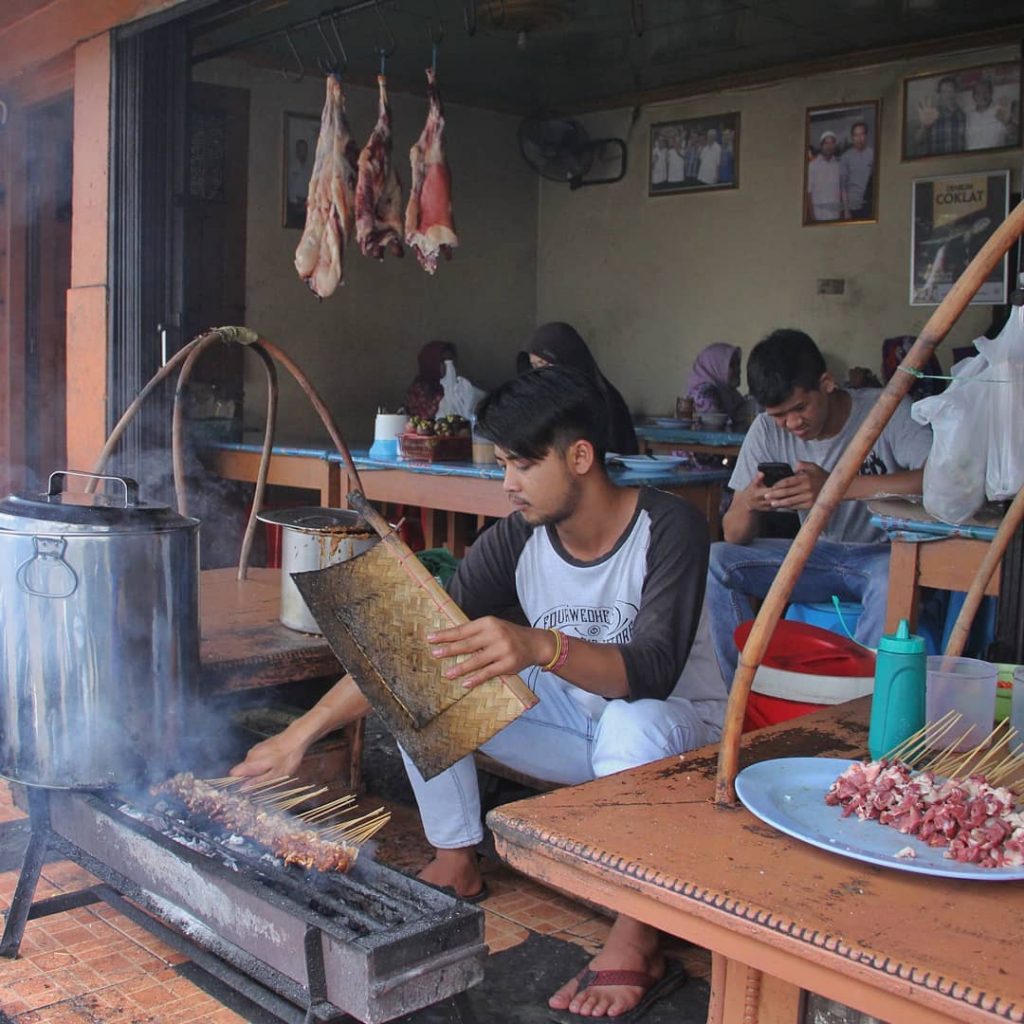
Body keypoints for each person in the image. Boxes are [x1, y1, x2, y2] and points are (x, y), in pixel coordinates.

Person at [232, 366, 726, 1020]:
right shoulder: (520, 538)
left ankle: (638, 936)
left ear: (580, 457)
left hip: (674, 740)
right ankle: (456, 856)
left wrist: (539, 646)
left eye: (522, 464)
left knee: (631, 725)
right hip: (577, 732)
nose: (508, 485)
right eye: (502, 465)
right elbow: (408, 654)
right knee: (435, 668)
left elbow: (655, 670)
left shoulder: (670, 528)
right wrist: (299, 736)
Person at [706, 329, 932, 685]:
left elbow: (937, 481)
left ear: (826, 383)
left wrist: (837, 487)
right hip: (815, 555)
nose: (792, 424)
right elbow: (733, 534)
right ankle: (742, 692)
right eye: (780, 415)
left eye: (800, 408)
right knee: (715, 560)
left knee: (892, 576)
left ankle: (860, 704)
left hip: (884, 555)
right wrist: (750, 503)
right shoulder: (766, 431)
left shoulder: (885, 411)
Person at [520, 322, 639, 455]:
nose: (540, 372)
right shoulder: (541, 400)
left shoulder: (602, 399)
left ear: (567, 359)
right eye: (534, 366)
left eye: (544, 363)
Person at [685, 342, 746, 423]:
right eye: (732, 365)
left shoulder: (730, 394)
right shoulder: (704, 395)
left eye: (738, 364)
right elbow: (714, 425)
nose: (738, 370)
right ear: (715, 366)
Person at [914, 76, 965, 155]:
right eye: (944, 92)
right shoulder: (931, 114)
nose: (948, 95)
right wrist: (925, 126)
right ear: (940, 94)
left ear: (956, 92)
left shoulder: (963, 115)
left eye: (951, 91)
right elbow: (918, 141)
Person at [406, 340, 457, 420]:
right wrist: (446, 394)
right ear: (432, 362)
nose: (448, 366)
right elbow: (424, 417)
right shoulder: (418, 390)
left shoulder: (459, 387)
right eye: (443, 361)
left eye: (450, 361)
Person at [840, 121, 874, 220]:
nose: (859, 138)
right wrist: (846, 211)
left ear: (866, 136)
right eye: (856, 135)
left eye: (862, 134)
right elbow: (843, 187)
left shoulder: (873, 154)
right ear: (852, 138)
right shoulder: (845, 157)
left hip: (870, 206)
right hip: (853, 206)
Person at [965, 77, 1010, 151]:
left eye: (986, 92)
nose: (982, 96)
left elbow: (1014, 133)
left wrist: (1007, 122)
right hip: (972, 160)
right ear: (973, 96)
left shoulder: (1000, 110)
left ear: (991, 93)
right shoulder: (968, 115)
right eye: (978, 93)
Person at [806, 131, 841, 222]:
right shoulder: (812, 166)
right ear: (821, 145)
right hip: (819, 216)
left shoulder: (838, 166)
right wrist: (812, 217)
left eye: (832, 143)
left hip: (835, 216)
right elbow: (808, 193)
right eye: (826, 143)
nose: (829, 146)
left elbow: (840, 191)